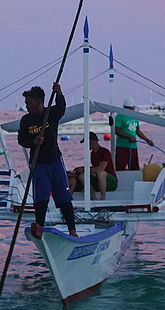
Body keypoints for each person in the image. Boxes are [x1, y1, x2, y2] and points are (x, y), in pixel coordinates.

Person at [17, 82, 78, 237]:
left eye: (29, 103)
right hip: (38, 164)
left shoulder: (51, 114)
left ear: (39, 103)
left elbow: (62, 108)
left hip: (55, 161)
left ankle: (72, 230)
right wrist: (33, 142)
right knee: (41, 198)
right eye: (25, 104)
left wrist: (59, 93)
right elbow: (21, 140)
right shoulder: (26, 120)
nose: (27, 107)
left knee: (63, 197)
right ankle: (40, 229)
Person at [68, 132, 117, 201]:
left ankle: (103, 198)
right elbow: (94, 169)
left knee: (100, 172)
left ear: (91, 142)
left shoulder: (104, 152)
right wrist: (81, 170)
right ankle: (93, 198)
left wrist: (84, 169)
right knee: (82, 176)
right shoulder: (93, 153)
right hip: (98, 179)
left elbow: (100, 168)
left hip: (110, 182)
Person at [114, 97, 154, 170]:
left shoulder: (134, 116)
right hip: (122, 146)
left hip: (133, 146)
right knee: (120, 167)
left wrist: (147, 140)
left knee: (134, 167)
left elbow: (137, 131)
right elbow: (117, 131)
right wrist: (129, 137)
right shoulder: (119, 116)